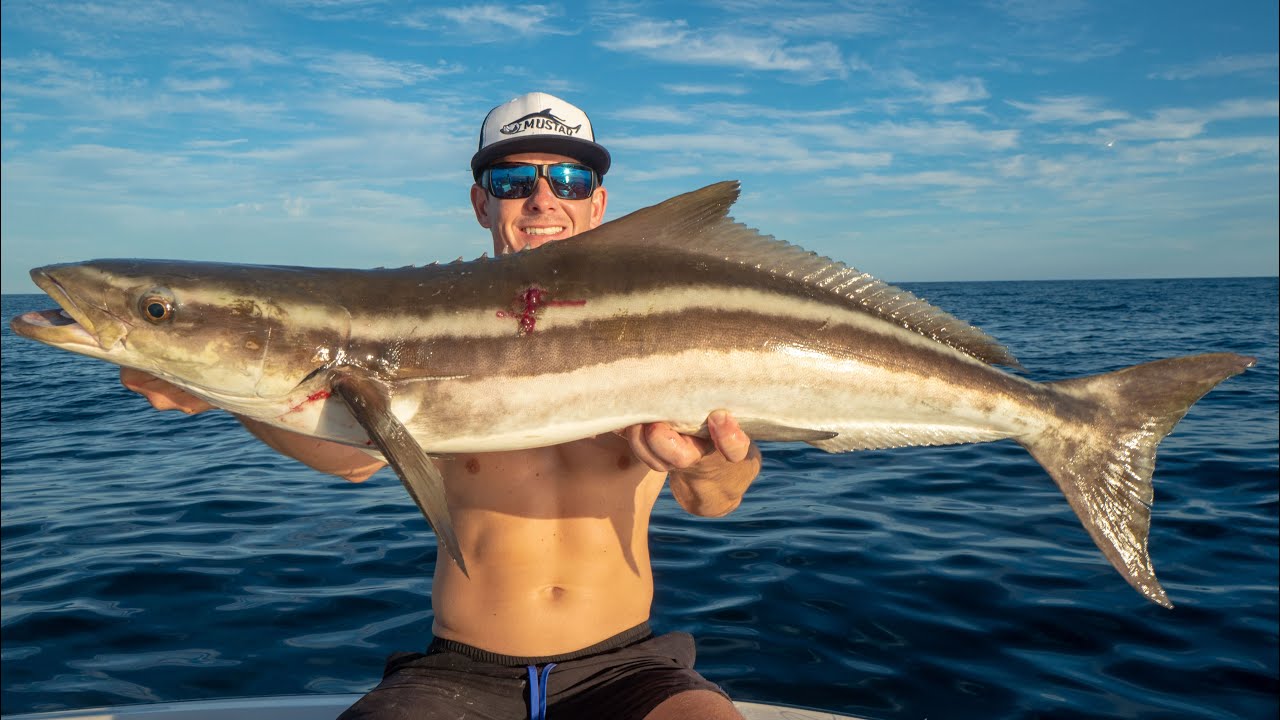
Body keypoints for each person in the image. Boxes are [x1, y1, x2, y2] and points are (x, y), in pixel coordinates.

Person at [120, 92, 761, 720]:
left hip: (627, 666)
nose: (543, 199)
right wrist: (219, 391)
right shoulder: (415, 329)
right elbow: (354, 460)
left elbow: (716, 499)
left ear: (597, 202)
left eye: (568, 178)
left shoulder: (682, 329)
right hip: (462, 672)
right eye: (512, 180)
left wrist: (705, 468)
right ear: (482, 203)